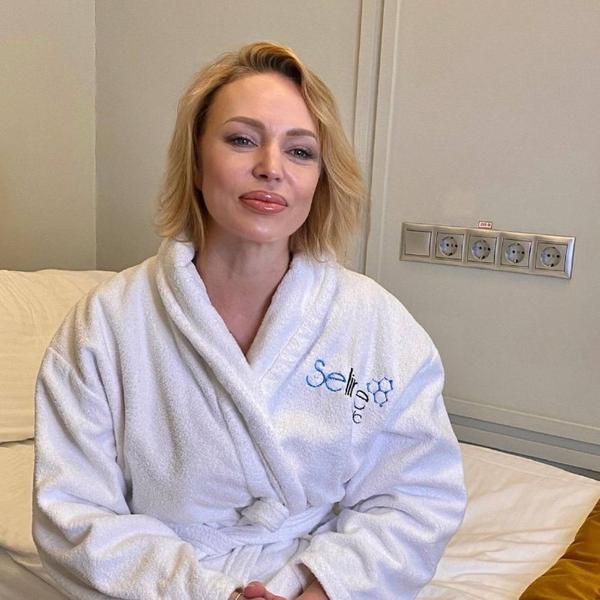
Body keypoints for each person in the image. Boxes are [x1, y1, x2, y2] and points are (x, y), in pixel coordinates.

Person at [33, 41, 466, 600]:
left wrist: (322, 588)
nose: (271, 168)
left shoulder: (376, 323)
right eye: (241, 140)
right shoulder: (106, 324)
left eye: (300, 151)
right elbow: (74, 513)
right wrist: (211, 594)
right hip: (163, 584)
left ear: (320, 178)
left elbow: (417, 497)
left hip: (319, 580)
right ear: (195, 161)